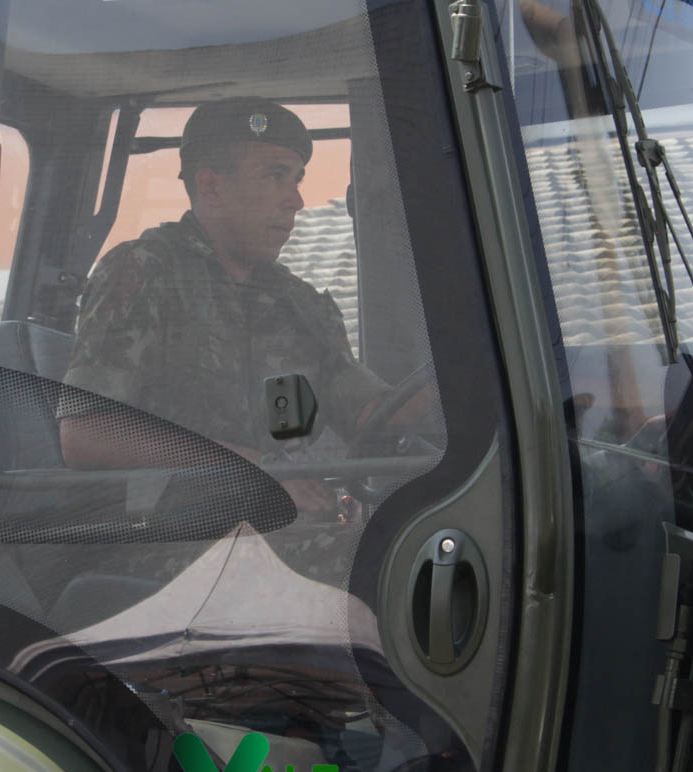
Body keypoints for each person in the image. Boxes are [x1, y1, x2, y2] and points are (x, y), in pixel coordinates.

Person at [56, 98, 420, 510]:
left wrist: (459, 382)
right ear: (212, 188)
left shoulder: (299, 303)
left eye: (296, 180)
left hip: (283, 525)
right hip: (180, 529)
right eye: (275, 176)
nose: (296, 200)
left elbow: (373, 414)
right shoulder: (143, 271)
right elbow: (86, 434)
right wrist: (250, 466)